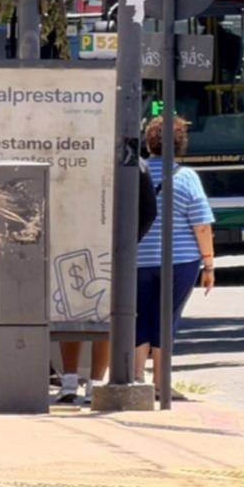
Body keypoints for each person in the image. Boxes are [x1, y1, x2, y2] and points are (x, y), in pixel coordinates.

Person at [55, 159, 158, 406]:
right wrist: (129, 241)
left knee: (74, 309)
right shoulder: (133, 161)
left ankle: (71, 383)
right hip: (110, 247)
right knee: (103, 313)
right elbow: (149, 211)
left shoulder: (77, 154)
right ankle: (94, 384)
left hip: (74, 242)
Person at [136, 115, 215, 394]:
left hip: (137, 260)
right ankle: (161, 384)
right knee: (166, 317)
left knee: (139, 317)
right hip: (179, 262)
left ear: (148, 143)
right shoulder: (187, 177)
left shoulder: (134, 173)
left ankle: (136, 379)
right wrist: (209, 265)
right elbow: (201, 226)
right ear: (181, 144)